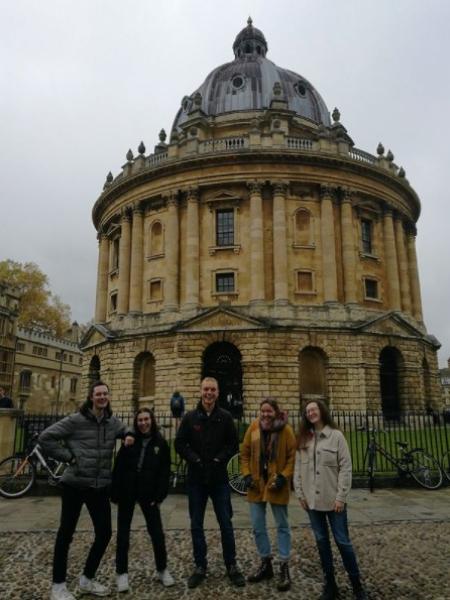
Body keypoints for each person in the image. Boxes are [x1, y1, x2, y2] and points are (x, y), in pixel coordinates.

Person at [38, 380, 134, 600]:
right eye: (98, 394)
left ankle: (86, 580)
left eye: (105, 394)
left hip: (99, 486)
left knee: (105, 533)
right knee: (65, 534)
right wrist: (69, 457)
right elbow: (46, 438)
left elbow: (126, 429)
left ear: (108, 397)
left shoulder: (112, 422)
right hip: (74, 484)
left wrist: (129, 434)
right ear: (91, 397)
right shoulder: (75, 420)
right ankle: (58, 586)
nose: (102, 397)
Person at [175, 376, 245, 589]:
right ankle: (200, 566)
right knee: (196, 524)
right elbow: (180, 443)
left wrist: (218, 459)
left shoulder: (225, 417)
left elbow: (233, 444)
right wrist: (194, 458)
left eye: (212, 390)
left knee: (226, 523)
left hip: (219, 479)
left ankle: (231, 565)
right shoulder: (189, 418)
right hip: (196, 479)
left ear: (218, 392)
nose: (209, 393)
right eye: (206, 389)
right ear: (200, 391)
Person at [294, 400, 367, 600]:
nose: (311, 413)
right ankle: (330, 585)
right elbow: (298, 469)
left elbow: (346, 468)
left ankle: (357, 586)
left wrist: (341, 497)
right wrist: (300, 494)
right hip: (312, 503)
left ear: (322, 411)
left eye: (314, 409)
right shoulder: (303, 439)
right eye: (308, 411)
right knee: (321, 543)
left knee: (343, 542)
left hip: (334, 501)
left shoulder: (337, 436)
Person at [111, 408, 174, 592]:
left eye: (146, 419)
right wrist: (114, 492)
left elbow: (164, 472)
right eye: (140, 420)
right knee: (123, 534)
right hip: (127, 491)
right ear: (136, 423)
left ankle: (162, 569)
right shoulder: (130, 440)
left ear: (152, 420)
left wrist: (159, 496)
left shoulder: (161, 443)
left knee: (157, 534)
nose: (143, 423)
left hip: (149, 493)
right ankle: (121, 573)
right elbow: (119, 465)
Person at [240, 398, 296, 591]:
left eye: (269, 411)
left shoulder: (285, 430)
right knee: (257, 526)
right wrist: (246, 474)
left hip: (276, 484)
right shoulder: (254, 427)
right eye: (262, 411)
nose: (265, 414)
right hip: (256, 484)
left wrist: (284, 476)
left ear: (276, 412)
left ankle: (284, 565)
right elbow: (245, 452)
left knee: (282, 525)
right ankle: (266, 563)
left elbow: (292, 456)